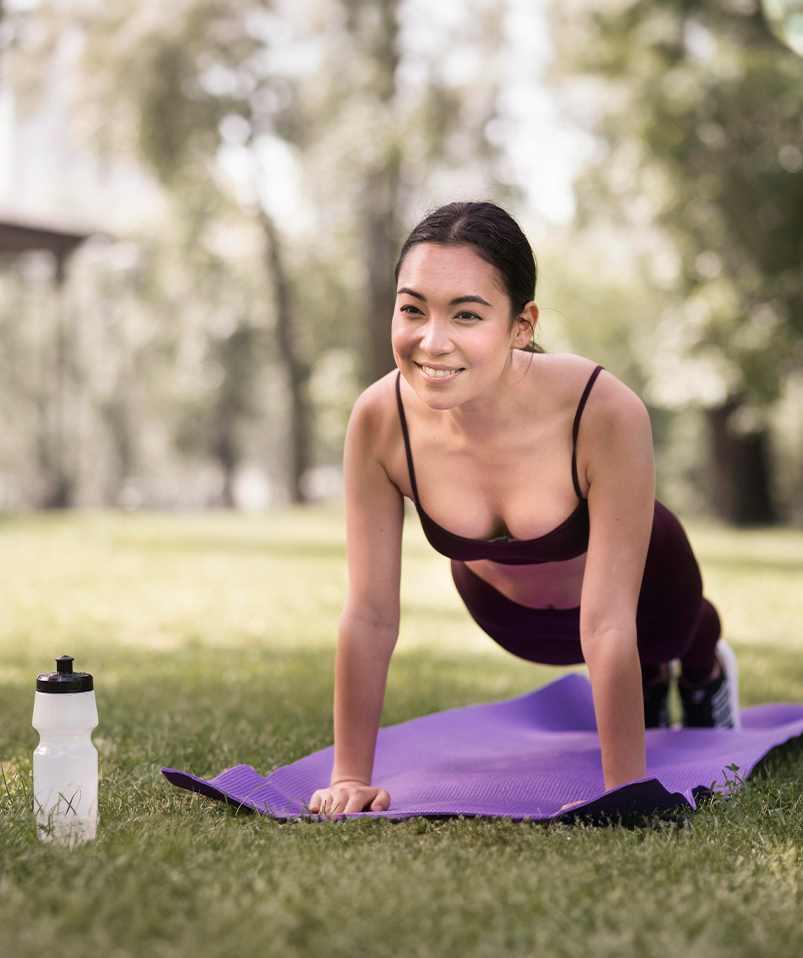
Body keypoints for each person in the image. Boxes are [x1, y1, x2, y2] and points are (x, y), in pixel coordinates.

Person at [308, 201, 739, 817]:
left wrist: (624, 790)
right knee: (625, 662)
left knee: (667, 638)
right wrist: (349, 775)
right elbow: (372, 613)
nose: (432, 340)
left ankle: (701, 673)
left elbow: (609, 622)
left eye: (466, 314)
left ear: (522, 325)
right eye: (412, 309)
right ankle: (647, 683)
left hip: (644, 599)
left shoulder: (602, 408)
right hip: (511, 618)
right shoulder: (380, 420)